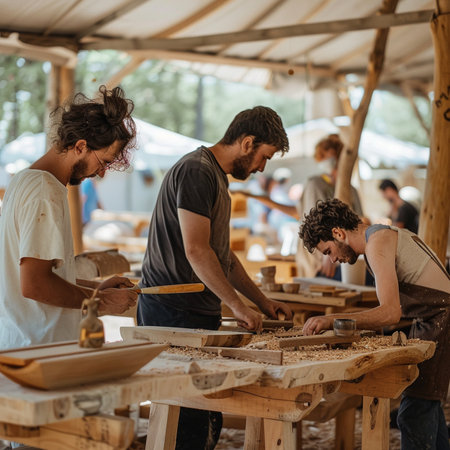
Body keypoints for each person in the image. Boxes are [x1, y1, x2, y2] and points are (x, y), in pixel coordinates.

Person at [138, 106, 293, 450]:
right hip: (172, 310)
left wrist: (261, 301)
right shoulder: (196, 171)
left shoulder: (215, 177)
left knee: (208, 416)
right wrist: (236, 307)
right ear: (247, 142)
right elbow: (196, 250)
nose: (262, 168)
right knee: (187, 424)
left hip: (192, 310)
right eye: (263, 157)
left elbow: (222, 256)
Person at [299, 199, 450, 450]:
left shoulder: (377, 243)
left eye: (328, 251)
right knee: (428, 411)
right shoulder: (378, 237)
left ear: (338, 233)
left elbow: (390, 313)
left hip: (442, 319)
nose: (333, 259)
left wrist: (331, 320)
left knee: (413, 415)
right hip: (433, 320)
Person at [0, 85, 139, 351]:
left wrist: (98, 290)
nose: (100, 173)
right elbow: (35, 285)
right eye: (104, 162)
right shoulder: (44, 190)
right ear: (81, 146)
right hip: (39, 349)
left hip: (26, 344)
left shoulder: (25, 180)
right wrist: (103, 302)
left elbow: (42, 274)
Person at [238, 134, 364, 279]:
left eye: (332, 158)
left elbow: (359, 221)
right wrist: (259, 198)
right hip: (321, 260)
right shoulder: (315, 184)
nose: (329, 163)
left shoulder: (350, 190)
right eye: (325, 158)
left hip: (343, 259)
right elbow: (300, 213)